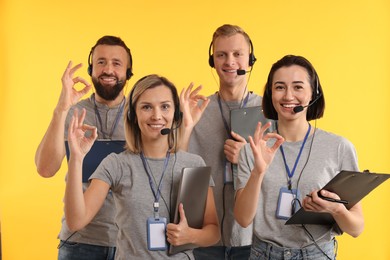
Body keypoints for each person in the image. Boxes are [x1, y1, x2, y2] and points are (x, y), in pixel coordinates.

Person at [64, 74, 220, 259]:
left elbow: (213, 232)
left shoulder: (193, 164)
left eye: (165, 106)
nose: (157, 115)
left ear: (175, 113)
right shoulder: (116, 164)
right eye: (146, 107)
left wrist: (191, 235)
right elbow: (76, 221)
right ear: (133, 115)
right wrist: (76, 157)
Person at [234, 54, 364, 259]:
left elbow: (356, 228)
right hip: (264, 253)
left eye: (298, 87)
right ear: (270, 94)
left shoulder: (339, 147)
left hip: (317, 253)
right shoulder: (254, 148)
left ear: (314, 93)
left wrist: (336, 210)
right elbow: (242, 219)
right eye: (279, 87)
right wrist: (258, 172)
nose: (288, 96)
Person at [35, 35, 133, 259]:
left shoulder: (143, 114)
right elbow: (45, 169)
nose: (108, 69)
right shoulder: (71, 111)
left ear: (128, 72)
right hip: (79, 242)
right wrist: (61, 108)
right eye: (101, 62)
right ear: (91, 68)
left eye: (116, 63)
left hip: (130, 243)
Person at [179, 24, 272, 259]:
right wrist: (185, 126)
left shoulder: (270, 112)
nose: (230, 62)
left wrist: (248, 157)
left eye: (237, 54)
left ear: (251, 60)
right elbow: (177, 167)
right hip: (203, 240)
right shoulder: (196, 110)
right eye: (221, 55)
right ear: (213, 61)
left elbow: (281, 175)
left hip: (256, 240)